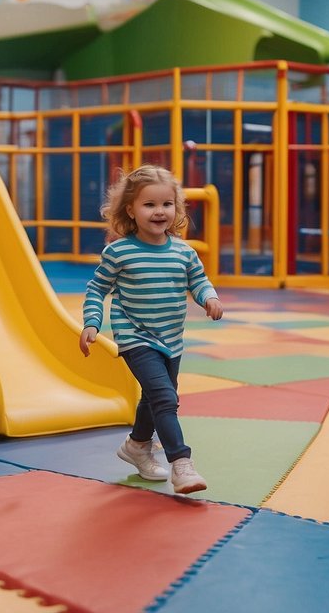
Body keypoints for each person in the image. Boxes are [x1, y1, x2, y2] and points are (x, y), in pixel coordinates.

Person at [78, 164, 223, 494]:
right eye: (149, 205)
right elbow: (97, 289)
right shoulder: (120, 251)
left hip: (171, 338)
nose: (160, 212)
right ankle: (181, 464)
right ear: (131, 209)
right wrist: (92, 322)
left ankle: (137, 445)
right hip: (135, 336)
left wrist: (209, 297)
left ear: (177, 207)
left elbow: (198, 281)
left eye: (167, 204)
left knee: (154, 399)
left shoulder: (184, 252)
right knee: (164, 397)